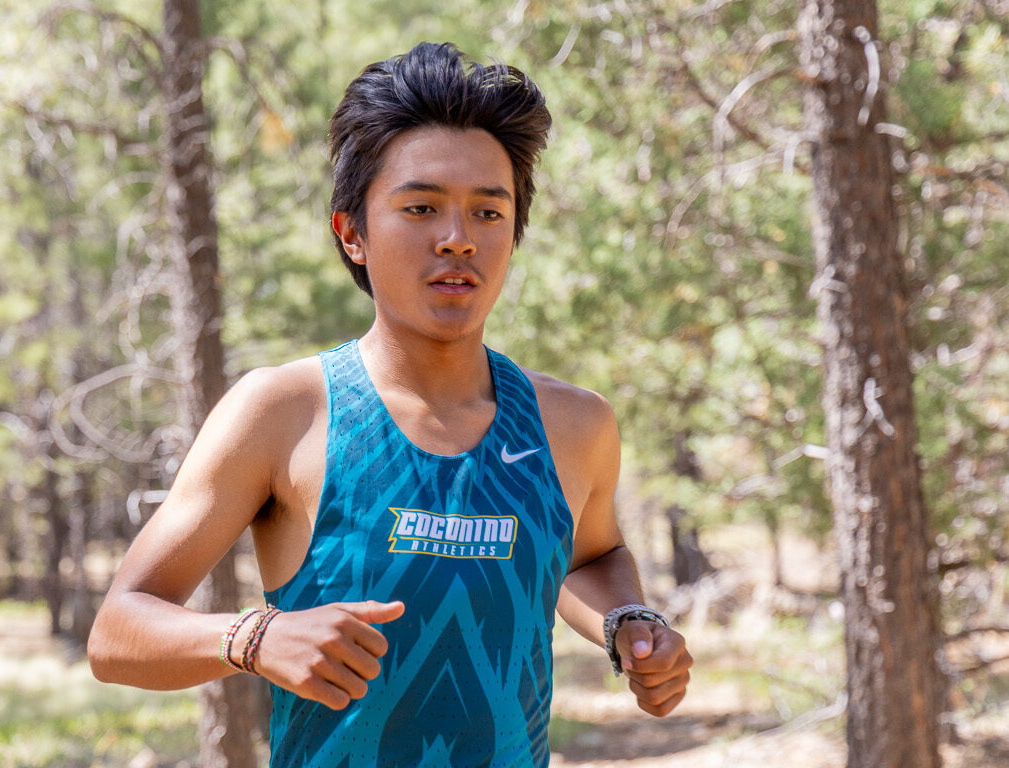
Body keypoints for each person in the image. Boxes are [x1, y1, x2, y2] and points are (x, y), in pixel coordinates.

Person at [89, 41, 693, 767]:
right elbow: (116, 633)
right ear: (352, 233)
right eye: (420, 207)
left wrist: (630, 622)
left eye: (487, 213)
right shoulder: (286, 411)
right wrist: (253, 639)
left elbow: (588, 556)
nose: (457, 239)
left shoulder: (573, 424)